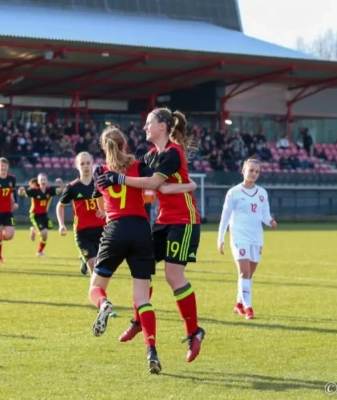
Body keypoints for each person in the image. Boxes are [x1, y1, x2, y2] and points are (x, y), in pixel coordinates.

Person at [97, 107, 205, 363]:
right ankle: (139, 320)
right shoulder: (151, 155)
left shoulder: (173, 152)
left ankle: (194, 332)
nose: (145, 127)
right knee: (143, 268)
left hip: (184, 221)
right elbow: (152, 181)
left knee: (172, 275)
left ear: (162, 126)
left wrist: (118, 179)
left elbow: (154, 184)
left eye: (149, 122)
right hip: (162, 221)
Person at [88, 126, 161, 374]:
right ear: (125, 144)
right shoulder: (139, 166)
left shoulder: (100, 171)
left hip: (115, 229)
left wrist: (105, 209)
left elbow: (98, 199)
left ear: (104, 147)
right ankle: (151, 351)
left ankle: (104, 304)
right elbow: (152, 187)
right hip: (140, 229)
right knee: (143, 299)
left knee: (95, 287)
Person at [216, 157, 277, 319]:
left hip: (256, 237)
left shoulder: (262, 193)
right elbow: (225, 216)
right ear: (243, 171)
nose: (254, 174)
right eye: (251, 170)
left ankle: (238, 304)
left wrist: (270, 221)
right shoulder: (234, 192)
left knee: (249, 274)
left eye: (257, 171)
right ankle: (248, 308)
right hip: (239, 236)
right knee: (244, 272)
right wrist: (220, 238)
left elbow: (264, 215)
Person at [56, 152, 106, 276]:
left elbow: (111, 202)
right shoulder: (72, 187)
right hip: (83, 233)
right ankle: (86, 259)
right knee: (95, 269)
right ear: (77, 166)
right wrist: (61, 224)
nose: (85, 166)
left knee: (103, 267)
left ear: (92, 164)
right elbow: (60, 206)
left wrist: (105, 211)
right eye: (82, 164)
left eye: (88, 163)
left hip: (102, 231)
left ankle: (83, 259)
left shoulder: (101, 184)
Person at [18, 173, 64, 257]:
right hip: (35, 215)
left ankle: (39, 252)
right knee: (44, 233)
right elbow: (21, 194)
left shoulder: (50, 190)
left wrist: (61, 183)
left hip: (44, 214)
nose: (43, 181)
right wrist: (20, 190)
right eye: (41, 180)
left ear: (47, 181)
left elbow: (61, 190)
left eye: (44, 179)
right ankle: (34, 231)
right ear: (38, 182)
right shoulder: (34, 191)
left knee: (45, 234)